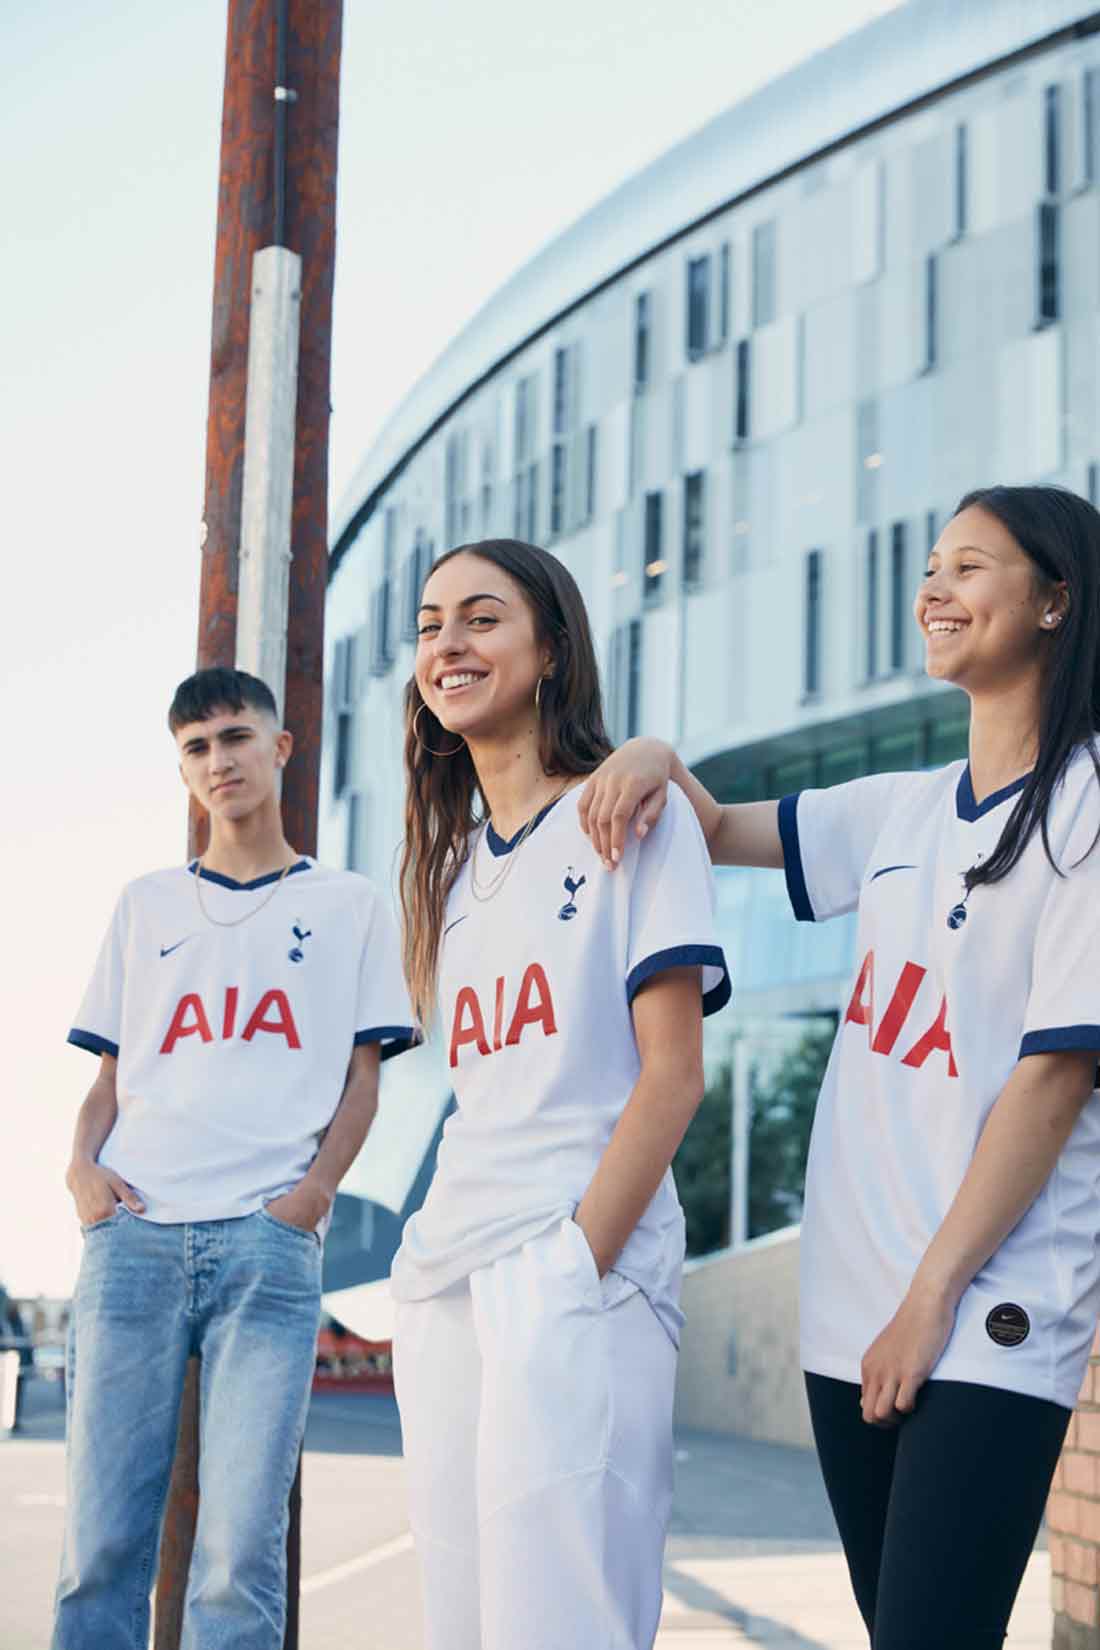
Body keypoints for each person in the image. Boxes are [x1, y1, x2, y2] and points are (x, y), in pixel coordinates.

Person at [577, 483, 1100, 1648]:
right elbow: (711, 830)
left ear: (1055, 601)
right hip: (848, 1303)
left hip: (984, 1308)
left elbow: (1052, 1081)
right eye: (928, 566)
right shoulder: (900, 811)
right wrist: (655, 753)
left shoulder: (1085, 809)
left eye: (968, 567)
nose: (933, 589)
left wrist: (928, 1303)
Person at [389, 539, 730, 1650]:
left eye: (481, 619)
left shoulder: (632, 812)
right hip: (448, 1277)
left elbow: (671, 1077)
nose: (448, 643)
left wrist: (574, 1263)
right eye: (432, 622)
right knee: (461, 1618)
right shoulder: (444, 878)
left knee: (563, 1623)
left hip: (573, 1268)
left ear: (550, 650)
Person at [54, 667, 415, 1650]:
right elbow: (107, 1080)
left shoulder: (348, 906)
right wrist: (81, 1175)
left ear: (279, 748)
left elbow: (363, 1082)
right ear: (183, 768)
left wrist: (308, 1197)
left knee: (236, 1553)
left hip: (266, 1246)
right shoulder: (147, 905)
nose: (219, 761)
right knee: (100, 1545)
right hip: (131, 1243)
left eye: (235, 737)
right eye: (197, 747)